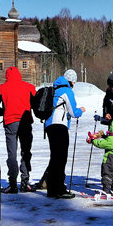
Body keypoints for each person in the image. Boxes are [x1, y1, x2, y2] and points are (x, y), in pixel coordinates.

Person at [39, 69, 84, 199]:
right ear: (72, 81)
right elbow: (74, 112)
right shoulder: (67, 91)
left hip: (49, 126)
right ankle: (59, 189)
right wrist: (81, 110)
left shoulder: (55, 89)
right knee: (60, 158)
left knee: (55, 157)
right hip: (59, 126)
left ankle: (52, 189)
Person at [0, 66, 35, 193]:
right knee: (26, 151)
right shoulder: (29, 87)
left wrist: (4, 112)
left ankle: (13, 184)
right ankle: (25, 181)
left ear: (6, 76)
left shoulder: (1, 89)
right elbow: (36, 103)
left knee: (12, 153)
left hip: (10, 122)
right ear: (19, 75)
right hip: (25, 122)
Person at [87, 115, 113, 196]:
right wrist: (103, 136)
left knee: (107, 173)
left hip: (110, 158)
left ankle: (106, 189)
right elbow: (110, 140)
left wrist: (93, 141)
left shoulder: (112, 138)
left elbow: (103, 144)